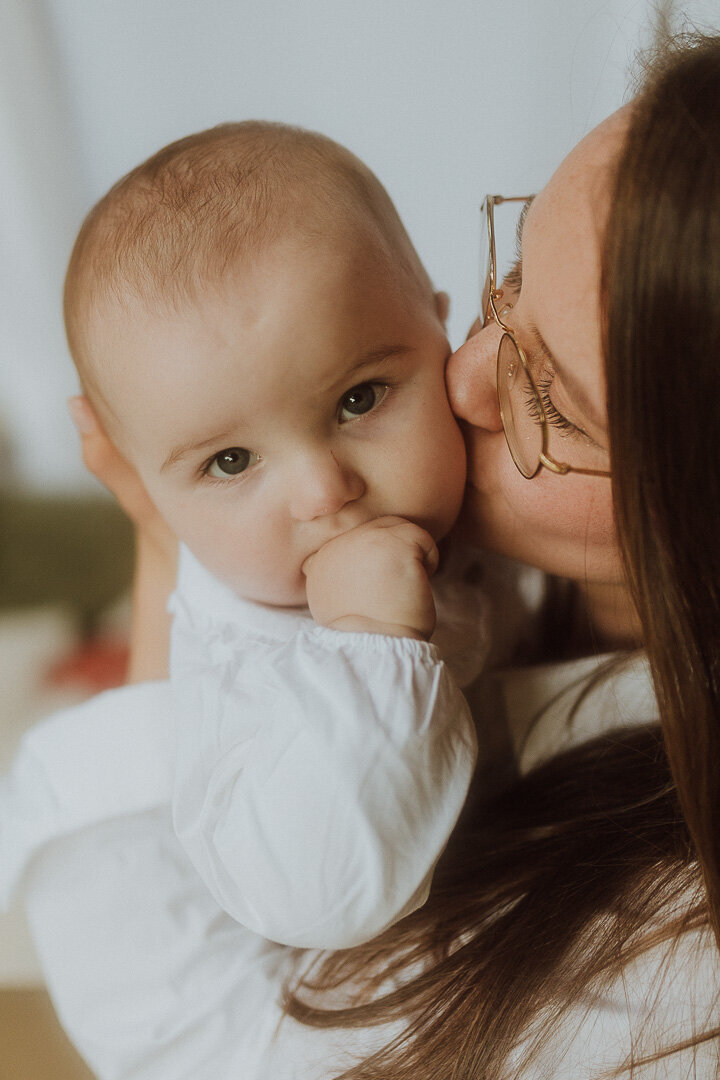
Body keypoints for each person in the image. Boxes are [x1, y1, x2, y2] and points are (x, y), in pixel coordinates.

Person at [6, 27, 720, 1080]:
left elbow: (206, 1047)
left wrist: (362, 649)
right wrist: (173, 552)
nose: (466, 374)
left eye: (554, 399)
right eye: (510, 284)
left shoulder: (678, 969)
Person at [2, 120, 530, 952]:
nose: (325, 489)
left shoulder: (493, 483)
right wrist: (366, 645)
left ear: (441, 334)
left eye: (360, 399)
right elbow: (323, 893)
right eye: (232, 461)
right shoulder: (248, 667)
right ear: (148, 488)